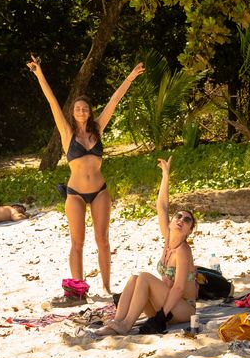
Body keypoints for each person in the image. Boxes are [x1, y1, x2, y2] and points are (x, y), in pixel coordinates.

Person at [27, 54, 144, 299]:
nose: (81, 110)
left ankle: (105, 286)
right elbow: (52, 103)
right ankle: (78, 289)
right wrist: (40, 74)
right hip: (76, 193)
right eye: (77, 108)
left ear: (89, 112)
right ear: (73, 112)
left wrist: (131, 77)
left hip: (100, 190)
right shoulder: (67, 133)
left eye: (85, 108)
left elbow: (115, 100)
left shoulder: (98, 128)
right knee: (77, 243)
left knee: (102, 239)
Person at [96, 157, 197, 336]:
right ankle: (117, 321)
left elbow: (179, 288)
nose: (181, 220)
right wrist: (166, 175)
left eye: (187, 220)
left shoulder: (183, 250)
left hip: (181, 309)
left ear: (190, 230)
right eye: (178, 216)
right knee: (134, 279)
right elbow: (162, 206)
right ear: (172, 221)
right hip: (163, 303)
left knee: (144, 277)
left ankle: (126, 324)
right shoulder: (167, 238)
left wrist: (161, 317)